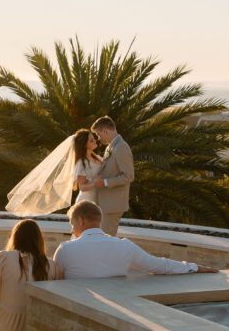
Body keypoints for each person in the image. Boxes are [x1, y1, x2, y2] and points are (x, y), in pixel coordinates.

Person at [54, 201, 217, 279]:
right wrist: (194, 267)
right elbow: (159, 265)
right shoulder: (124, 246)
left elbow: (54, 282)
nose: (71, 228)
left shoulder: (66, 249)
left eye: (71, 223)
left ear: (81, 221)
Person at [0, 219, 62, 331]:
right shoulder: (51, 265)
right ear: (39, 240)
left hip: (5, 330)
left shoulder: (4, 257)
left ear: (15, 237)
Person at [90, 117, 135, 235]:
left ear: (106, 131)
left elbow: (128, 176)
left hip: (112, 205)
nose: (99, 138)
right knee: (103, 239)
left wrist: (104, 182)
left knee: (106, 240)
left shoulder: (121, 147)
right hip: (106, 203)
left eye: (99, 135)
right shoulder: (111, 146)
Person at [72, 129, 103, 205]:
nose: (95, 141)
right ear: (84, 145)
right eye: (91, 140)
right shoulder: (81, 163)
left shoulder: (97, 158)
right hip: (86, 202)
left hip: (98, 200)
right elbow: (82, 187)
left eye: (94, 138)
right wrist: (95, 183)